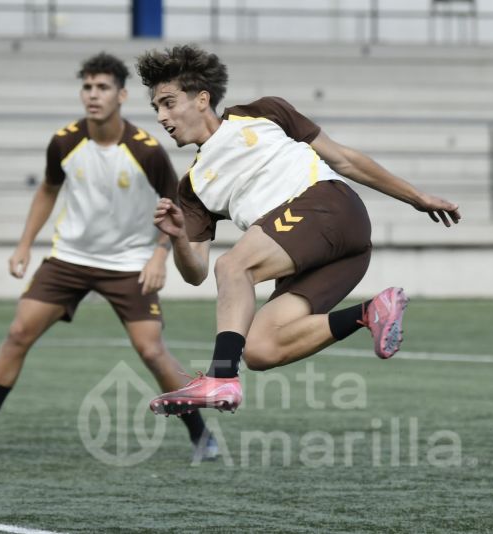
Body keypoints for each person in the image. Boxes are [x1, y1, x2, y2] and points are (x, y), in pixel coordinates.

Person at [134, 45, 461, 416]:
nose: (161, 116)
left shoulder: (264, 112)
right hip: (333, 255)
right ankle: (372, 311)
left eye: (168, 102)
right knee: (260, 348)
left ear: (201, 99)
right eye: (156, 108)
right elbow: (194, 273)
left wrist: (415, 196)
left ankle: (220, 378)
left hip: (329, 207)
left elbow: (343, 159)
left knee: (233, 266)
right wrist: (177, 237)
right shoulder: (191, 188)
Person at [0, 52, 217, 461]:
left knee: (151, 350)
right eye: (87, 86)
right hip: (68, 259)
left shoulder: (147, 151)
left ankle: (201, 435)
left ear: (121, 94)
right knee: (18, 333)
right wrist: (24, 244)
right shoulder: (64, 141)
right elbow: (48, 190)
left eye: (102, 87)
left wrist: (160, 256)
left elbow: (174, 209)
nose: (93, 94)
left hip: (127, 264)